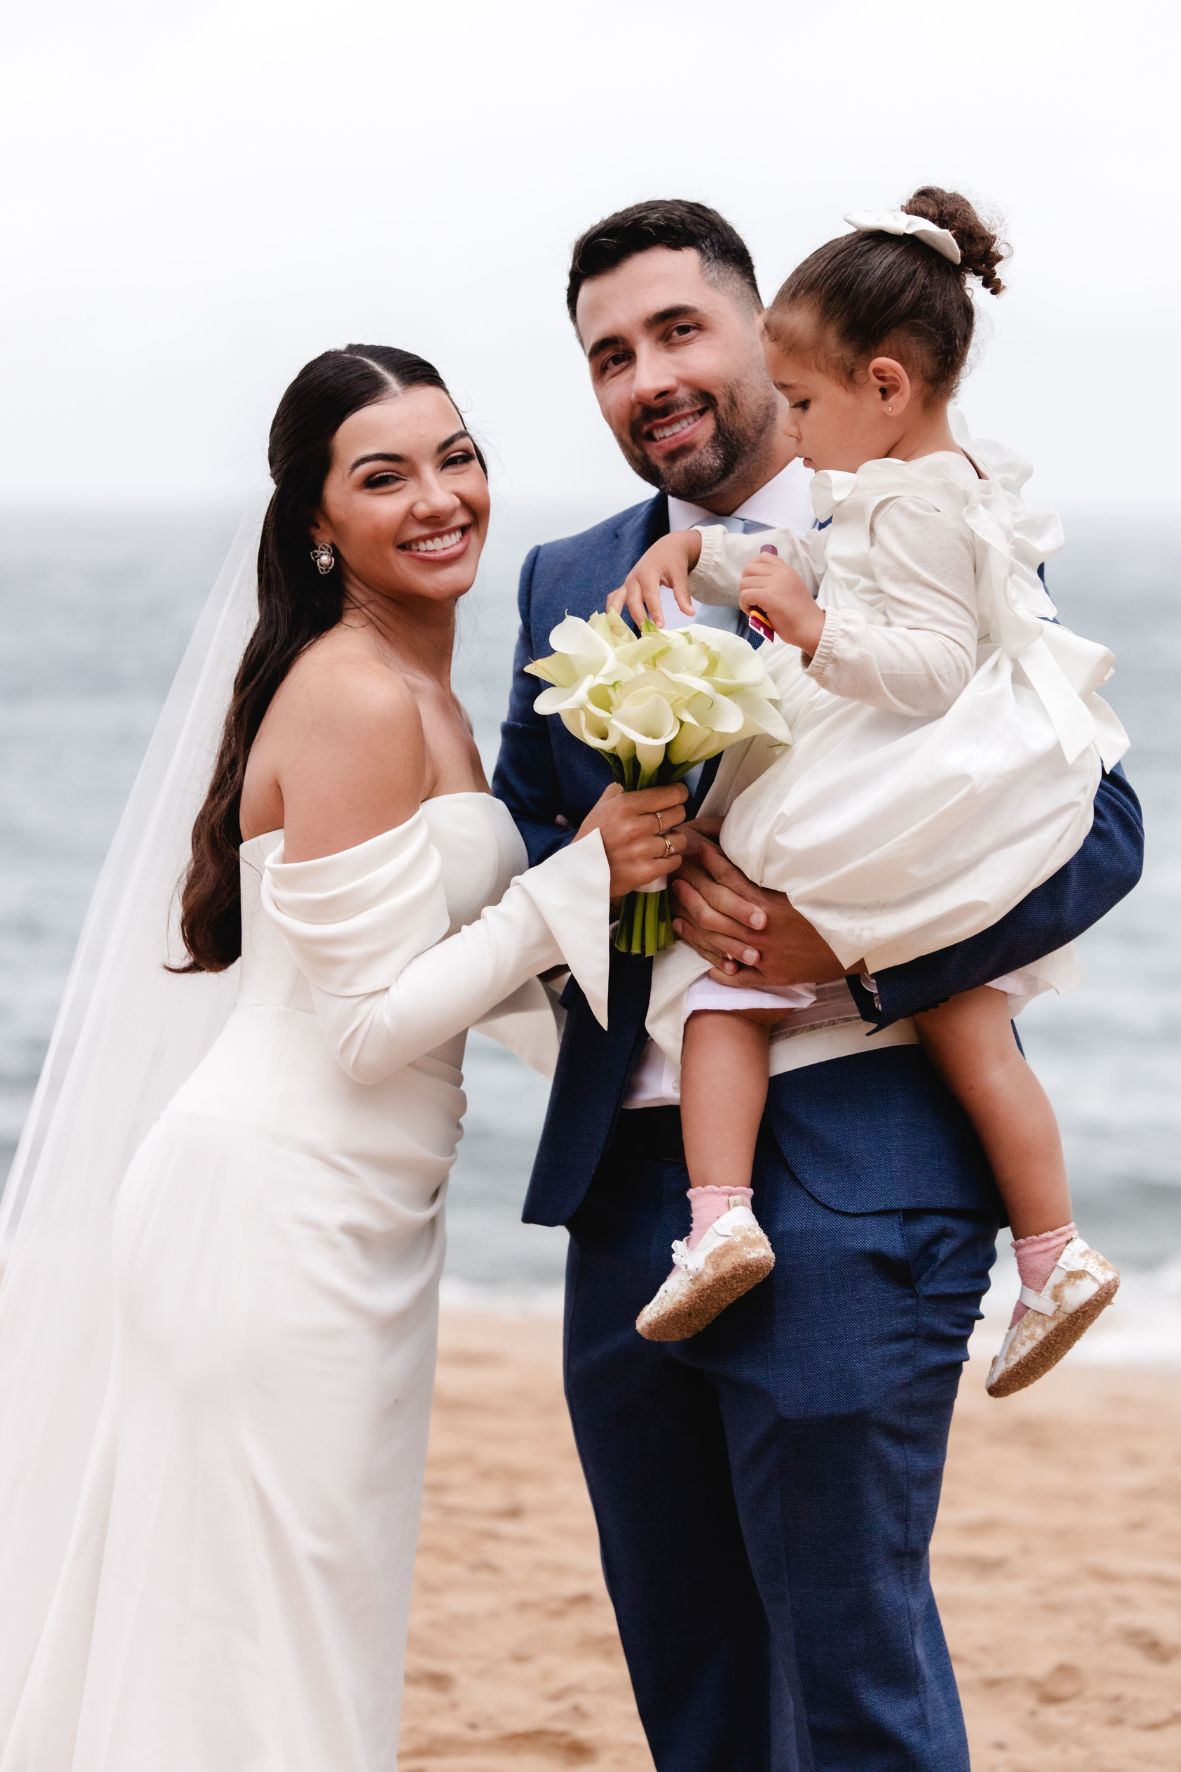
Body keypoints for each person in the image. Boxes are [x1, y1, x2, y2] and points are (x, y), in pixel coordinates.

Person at [492, 201, 1144, 1770]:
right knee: (693, 1678)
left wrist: (856, 945)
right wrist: (599, 857)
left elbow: (1094, 815)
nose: (648, 375)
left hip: (858, 1173)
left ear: (763, 337)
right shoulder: (570, 574)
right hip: (632, 1200)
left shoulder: (912, 521)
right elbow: (523, 820)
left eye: (678, 330)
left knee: (853, 1676)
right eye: (608, 356)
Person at [0, 344, 687, 1770]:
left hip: (356, 1213)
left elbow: (445, 976)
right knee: (261, 1622)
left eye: (456, 456)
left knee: (293, 1609)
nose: (439, 498)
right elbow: (369, 1026)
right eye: (384, 477)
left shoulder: (420, 687)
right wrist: (580, 882)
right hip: (274, 1218)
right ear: (318, 522)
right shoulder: (359, 695)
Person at [608, 189, 1125, 1395]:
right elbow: (818, 555)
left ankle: (721, 1217)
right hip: (913, 791)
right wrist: (705, 555)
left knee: (725, 989)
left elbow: (928, 664)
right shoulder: (924, 483)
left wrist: (808, 627)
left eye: (798, 403)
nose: (788, 434)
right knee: (963, 1026)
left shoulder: (913, 498)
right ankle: (1048, 1251)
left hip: (894, 783)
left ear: (884, 385)